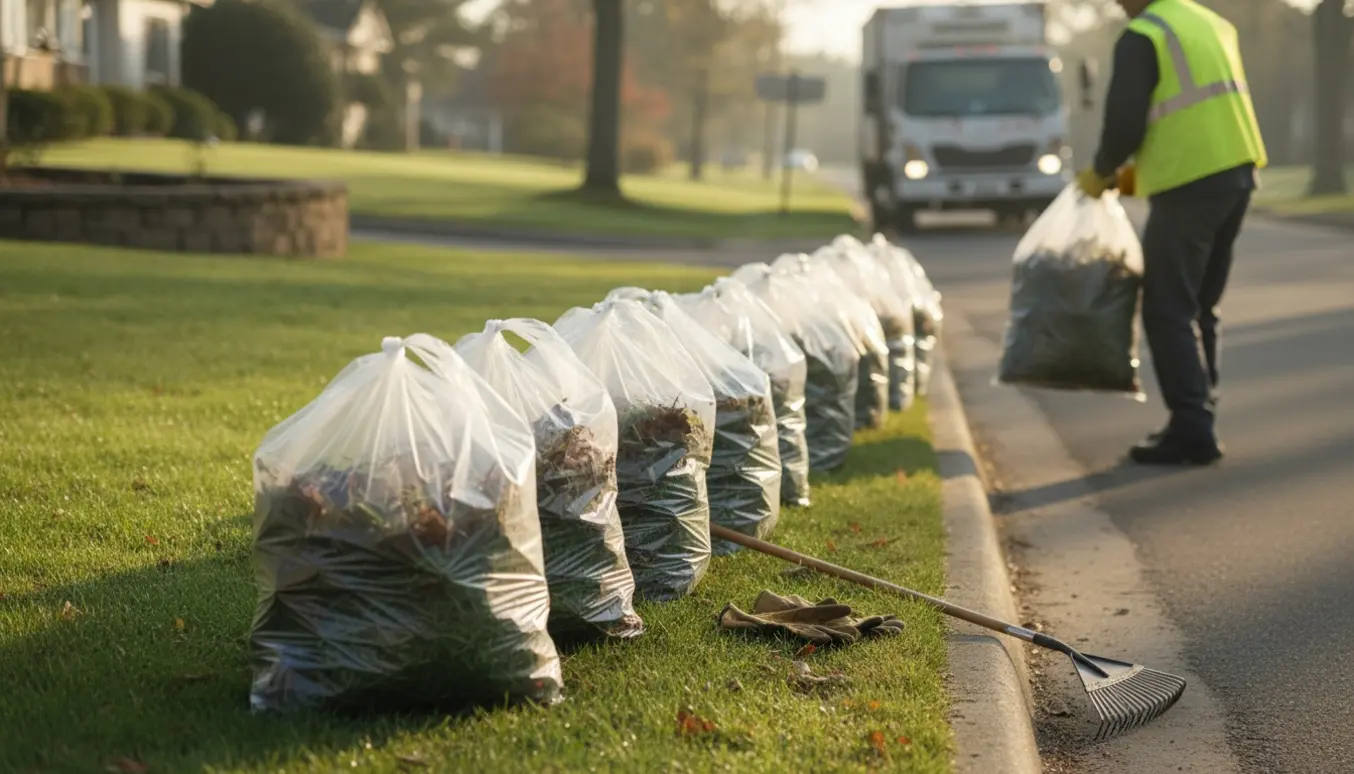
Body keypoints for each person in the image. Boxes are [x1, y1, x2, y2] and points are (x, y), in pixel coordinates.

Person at [1075, 0, 1267, 466]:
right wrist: (1127, 179)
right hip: (1236, 175)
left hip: (1189, 186)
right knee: (1200, 306)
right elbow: (1192, 115)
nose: (1118, 4)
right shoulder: (1210, 22)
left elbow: (1125, 122)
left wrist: (1102, 171)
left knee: (1167, 308)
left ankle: (1192, 427)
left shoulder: (1145, 35)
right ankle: (1197, 413)